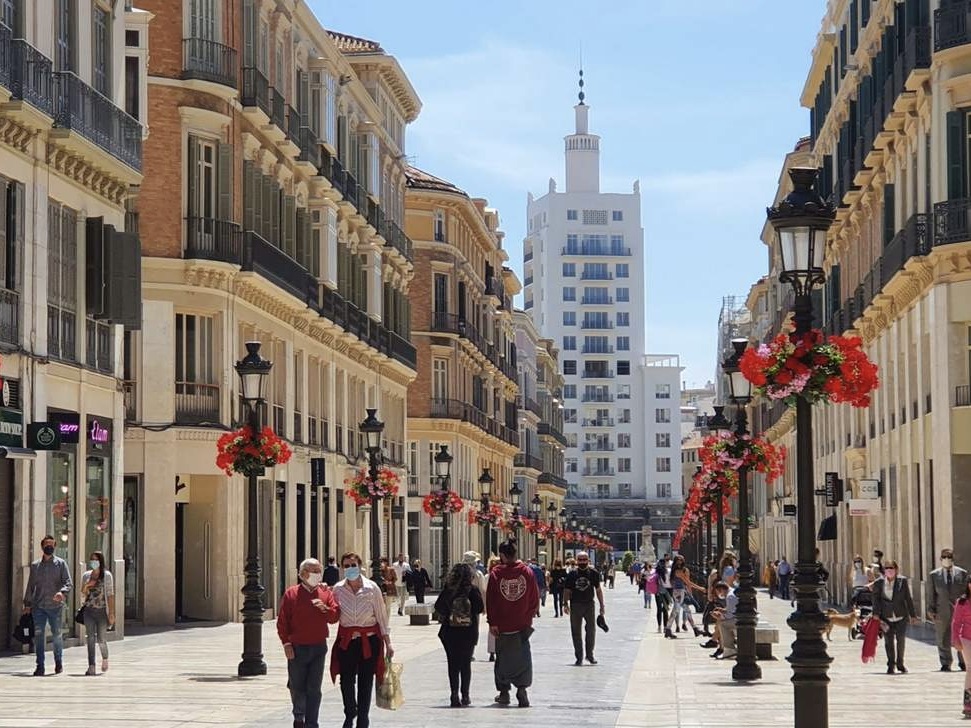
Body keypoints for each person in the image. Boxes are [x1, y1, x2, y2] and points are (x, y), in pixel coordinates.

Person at [329, 552, 394, 728]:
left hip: (369, 640)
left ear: (359, 566)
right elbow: (333, 613)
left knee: (366, 680)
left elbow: (381, 616)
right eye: (346, 566)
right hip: (347, 641)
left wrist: (388, 643)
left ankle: (363, 718)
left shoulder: (372, 588)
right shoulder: (337, 589)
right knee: (347, 680)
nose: (350, 569)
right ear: (342, 568)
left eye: (353, 565)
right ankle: (350, 712)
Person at [278, 558, 340, 728]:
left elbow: (335, 616)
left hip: (318, 647)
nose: (318, 574)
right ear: (303, 573)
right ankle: (299, 718)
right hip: (297, 648)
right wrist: (286, 644)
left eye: (319, 571)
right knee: (297, 686)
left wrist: (325, 609)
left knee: (314, 688)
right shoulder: (291, 594)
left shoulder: (325, 593)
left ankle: (312, 723)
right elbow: (282, 622)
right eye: (314, 571)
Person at [486, 540, 539, 707]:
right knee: (523, 658)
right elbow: (534, 598)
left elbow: (491, 600)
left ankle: (503, 692)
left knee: (502, 658)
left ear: (501, 555)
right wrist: (528, 617)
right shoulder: (527, 572)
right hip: (522, 624)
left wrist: (492, 622)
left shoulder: (496, 573)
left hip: (502, 625)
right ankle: (522, 689)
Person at [435, 563, 484, 707]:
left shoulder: (449, 590)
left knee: (453, 664)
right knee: (465, 664)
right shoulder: (472, 590)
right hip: (469, 633)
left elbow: (439, 607)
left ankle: (454, 693)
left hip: (450, 633)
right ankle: (466, 695)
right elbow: (480, 608)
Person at [22, 534, 73, 676]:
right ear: (42, 546)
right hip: (38, 606)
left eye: (52, 544)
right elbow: (30, 586)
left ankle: (58, 662)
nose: (49, 546)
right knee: (39, 636)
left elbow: (68, 582)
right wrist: (27, 604)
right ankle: (40, 666)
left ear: (55, 546)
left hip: (55, 607)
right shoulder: (35, 565)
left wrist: (62, 593)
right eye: (46, 544)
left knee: (57, 635)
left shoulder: (61, 564)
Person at [871, 559, 918, 674]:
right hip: (886, 617)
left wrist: (913, 615)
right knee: (888, 641)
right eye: (887, 568)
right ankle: (891, 664)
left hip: (901, 615)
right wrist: (876, 614)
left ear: (896, 569)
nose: (889, 570)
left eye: (891, 568)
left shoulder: (902, 581)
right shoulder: (879, 583)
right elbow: (876, 599)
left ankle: (900, 663)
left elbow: (908, 598)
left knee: (901, 640)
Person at [928, 548, 969, 672]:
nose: (947, 559)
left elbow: (966, 592)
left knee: (962, 635)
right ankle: (945, 662)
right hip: (942, 610)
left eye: (949, 557)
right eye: (944, 557)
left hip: (959, 610)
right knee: (942, 637)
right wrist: (931, 609)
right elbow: (932, 594)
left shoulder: (962, 573)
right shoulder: (934, 575)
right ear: (940, 559)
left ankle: (963, 661)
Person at [562, 551, 605, 665]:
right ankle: (579, 657)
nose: (582, 562)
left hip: (589, 604)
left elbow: (598, 590)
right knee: (576, 632)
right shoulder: (572, 574)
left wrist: (602, 606)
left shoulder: (593, 573)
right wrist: (565, 604)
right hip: (575, 604)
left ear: (588, 560)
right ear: (576, 561)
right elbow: (567, 590)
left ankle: (589, 655)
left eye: (584, 559)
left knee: (591, 630)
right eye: (580, 560)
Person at [79, 551, 115, 676]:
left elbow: (110, 594)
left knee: (101, 639)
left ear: (101, 561)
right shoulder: (86, 576)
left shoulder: (107, 576)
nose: (93, 562)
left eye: (96, 560)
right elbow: (83, 593)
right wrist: (87, 585)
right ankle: (91, 666)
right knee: (90, 638)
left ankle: (105, 658)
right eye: (92, 560)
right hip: (89, 610)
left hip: (102, 612)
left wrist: (111, 613)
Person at [664, 554, 703, 639]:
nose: (679, 562)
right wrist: (700, 588)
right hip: (678, 593)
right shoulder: (677, 571)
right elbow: (688, 582)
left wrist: (689, 591)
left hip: (681, 592)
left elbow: (687, 582)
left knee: (687, 610)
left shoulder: (679, 570)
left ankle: (695, 629)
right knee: (675, 611)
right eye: (678, 560)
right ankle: (667, 629)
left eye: (681, 560)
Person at [949, 579, 971, 717]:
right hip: (967, 639)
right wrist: (955, 639)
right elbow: (956, 622)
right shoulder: (962, 602)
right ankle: (968, 703)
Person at [710, 581, 737, 659]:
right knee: (721, 623)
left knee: (722, 624)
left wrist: (719, 616)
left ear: (722, 589)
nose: (720, 595)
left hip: (740, 619)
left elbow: (730, 615)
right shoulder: (732, 591)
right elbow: (732, 610)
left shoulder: (730, 596)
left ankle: (729, 649)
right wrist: (723, 610)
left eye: (718, 592)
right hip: (741, 617)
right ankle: (723, 647)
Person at [482, 555, 501, 661]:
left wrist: (485, 607)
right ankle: (498, 650)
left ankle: (492, 651)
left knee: (492, 629)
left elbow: (484, 592)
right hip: (500, 606)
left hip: (491, 606)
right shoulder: (502, 575)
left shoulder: (487, 576)